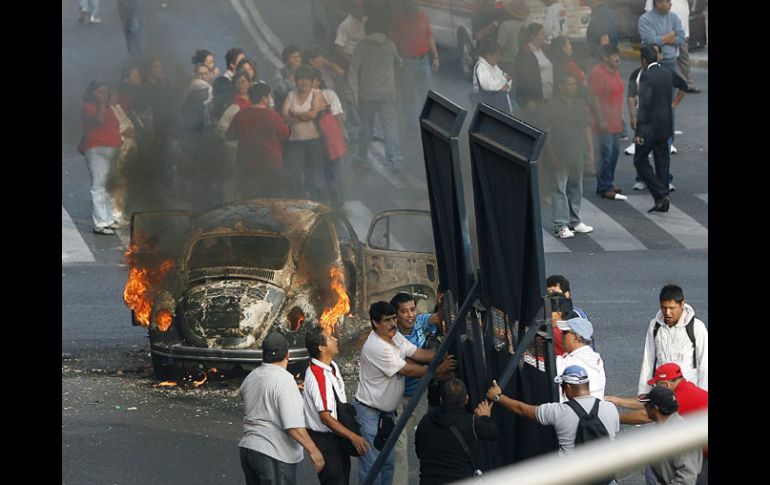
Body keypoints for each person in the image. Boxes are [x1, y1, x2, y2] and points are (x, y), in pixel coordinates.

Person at [354, 301, 455, 485]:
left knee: (388, 464)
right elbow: (407, 370)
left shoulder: (394, 337)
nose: (393, 323)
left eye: (394, 319)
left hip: (386, 414)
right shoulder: (377, 346)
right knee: (372, 468)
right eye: (387, 320)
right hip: (370, 414)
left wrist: (443, 353)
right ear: (376, 323)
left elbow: (417, 353)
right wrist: (437, 371)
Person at [239, 332, 325, 485]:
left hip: (248, 448)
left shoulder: (252, 376)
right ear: (287, 355)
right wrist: (313, 450)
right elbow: (292, 425)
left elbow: (244, 395)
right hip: (274, 453)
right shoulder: (284, 380)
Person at [486, 365, 619, 455]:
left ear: (567, 387)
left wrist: (498, 396)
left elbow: (522, 410)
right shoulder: (610, 408)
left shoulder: (558, 411)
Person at [303, 326, 370, 485]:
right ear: (321, 347)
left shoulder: (331, 366)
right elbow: (326, 417)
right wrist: (353, 437)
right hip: (327, 441)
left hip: (336, 436)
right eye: (330, 338)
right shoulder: (318, 376)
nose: (335, 339)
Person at [389, 292, 442, 485]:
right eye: (404, 311)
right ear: (396, 315)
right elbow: (411, 366)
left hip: (412, 397)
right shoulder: (393, 338)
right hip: (395, 399)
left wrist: (443, 302)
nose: (410, 315)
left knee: (396, 443)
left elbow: (438, 317)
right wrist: (437, 369)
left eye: (412, 309)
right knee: (399, 446)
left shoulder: (420, 322)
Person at [414, 378, 500, 484]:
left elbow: (419, 451)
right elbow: (493, 432)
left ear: (441, 399)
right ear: (466, 400)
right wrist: (485, 417)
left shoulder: (426, 420)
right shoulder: (471, 423)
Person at [541, 72, 594, 239]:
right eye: (569, 84)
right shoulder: (552, 106)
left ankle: (574, 220)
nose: (573, 87)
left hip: (577, 153)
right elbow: (547, 131)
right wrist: (552, 155)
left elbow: (586, 128)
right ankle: (560, 224)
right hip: (560, 153)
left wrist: (590, 153)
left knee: (575, 186)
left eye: (574, 84)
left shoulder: (579, 104)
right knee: (559, 189)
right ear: (561, 87)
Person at [348, 14, 403, 165]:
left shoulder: (361, 48)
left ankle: (362, 157)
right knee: (390, 126)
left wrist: (352, 93)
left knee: (366, 127)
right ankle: (394, 158)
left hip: (367, 95)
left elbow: (353, 71)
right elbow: (399, 64)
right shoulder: (390, 45)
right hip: (387, 94)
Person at [637, 284, 708, 397]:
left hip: (687, 392)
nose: (667, 312)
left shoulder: (696, 327)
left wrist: (704, 396)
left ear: (682, 304)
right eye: (664, 308)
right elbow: (648, 359)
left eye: (672, 308)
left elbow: (705, 363)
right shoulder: (654, 326)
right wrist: (643, 391)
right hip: (662, 392)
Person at [226, 83, 290, 200]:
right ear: (264, 98)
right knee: (270, 199)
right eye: (268, 96)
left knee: (250, 199)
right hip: (270, 163)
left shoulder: (241, 115)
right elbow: (285, 134)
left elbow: (230, 135)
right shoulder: (273, 116)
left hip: (247, 164)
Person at [633, 44, 676, 213]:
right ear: (657, 56)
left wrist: (638, 132)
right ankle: (663, 203)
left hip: (649, 128)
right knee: (662, 163)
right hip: (665, 126)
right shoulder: (667, 72)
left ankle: (661, 192)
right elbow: (684, 86)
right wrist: (672, 104)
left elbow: (643, 105)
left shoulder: (646, 75)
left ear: (643, 60)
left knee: (640, 160)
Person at [78, 79, 122, 235]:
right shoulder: (89, 107)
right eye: (99, 92)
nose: (103, 95)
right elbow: (99, 120)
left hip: (112, 148)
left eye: (105, 92)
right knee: (98, 186)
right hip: (97, 149)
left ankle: (109, 219)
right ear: (92, 93)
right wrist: (102, 103)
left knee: (109, 185)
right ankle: (100, 223)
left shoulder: (110, 108)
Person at [389, 0, 440, 131]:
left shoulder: (422, 16)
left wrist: (435, 56)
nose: (413, 7)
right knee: (409, 97)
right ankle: (412, 128)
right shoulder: (398, 19)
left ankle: (429, 123)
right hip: (407, 63)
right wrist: (397, 60)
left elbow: (429, 36)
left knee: (427, 93)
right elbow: (392, 42)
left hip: (423, 61)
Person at [282, 65, 329, 200]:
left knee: (315, 175)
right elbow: (284, 116)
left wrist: (294, 113)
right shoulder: (291, 95)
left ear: (312, 81)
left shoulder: (316, 94)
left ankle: (318, 204)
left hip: (314, 142)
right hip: (295, 143)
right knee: (294, 174)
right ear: (296, 81)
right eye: (300, 79)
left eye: (307, 79)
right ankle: (300, 201)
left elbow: (313, 115)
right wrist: (304, 116)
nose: (303, 82)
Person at [639, 386, 702, 485]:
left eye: (646, 405)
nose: (645, 408)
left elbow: (686, 479)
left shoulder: (681, 435)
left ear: (655, 408)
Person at [589, 45, 627, 201]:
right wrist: (600, 119)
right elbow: (594, 98)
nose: (617, 58)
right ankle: (604, 186)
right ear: (605, 57)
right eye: (613, 55)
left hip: (616, 120)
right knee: (606, 154)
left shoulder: (615, 72)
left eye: (617, 54)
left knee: (614, 154)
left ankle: (608, 184)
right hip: (604, 122)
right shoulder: (597, 73)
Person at [555, 317, 606, 400]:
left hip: (571, 412)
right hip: (594, 410)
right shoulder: (596, 359)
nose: (561, 335)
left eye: (564, 332)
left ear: (575, 337)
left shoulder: (568, 362)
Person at [514, 23, 554, 113]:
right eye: (542, 34)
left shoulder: (544, 50)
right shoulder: (524, 54)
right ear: (533, 36)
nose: (544, 36)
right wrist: (528, 99)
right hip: (535, 98)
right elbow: (523, 78)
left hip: (548, 95)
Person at [471, 40, 512, 112]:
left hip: (498, 98)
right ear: (488, 55)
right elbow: (489, 86)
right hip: (488, 101)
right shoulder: (481, 67)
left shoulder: (494, 66)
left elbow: (507, 78)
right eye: (497, 56)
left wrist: (505, 84)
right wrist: (503, 80)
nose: (499, 59)